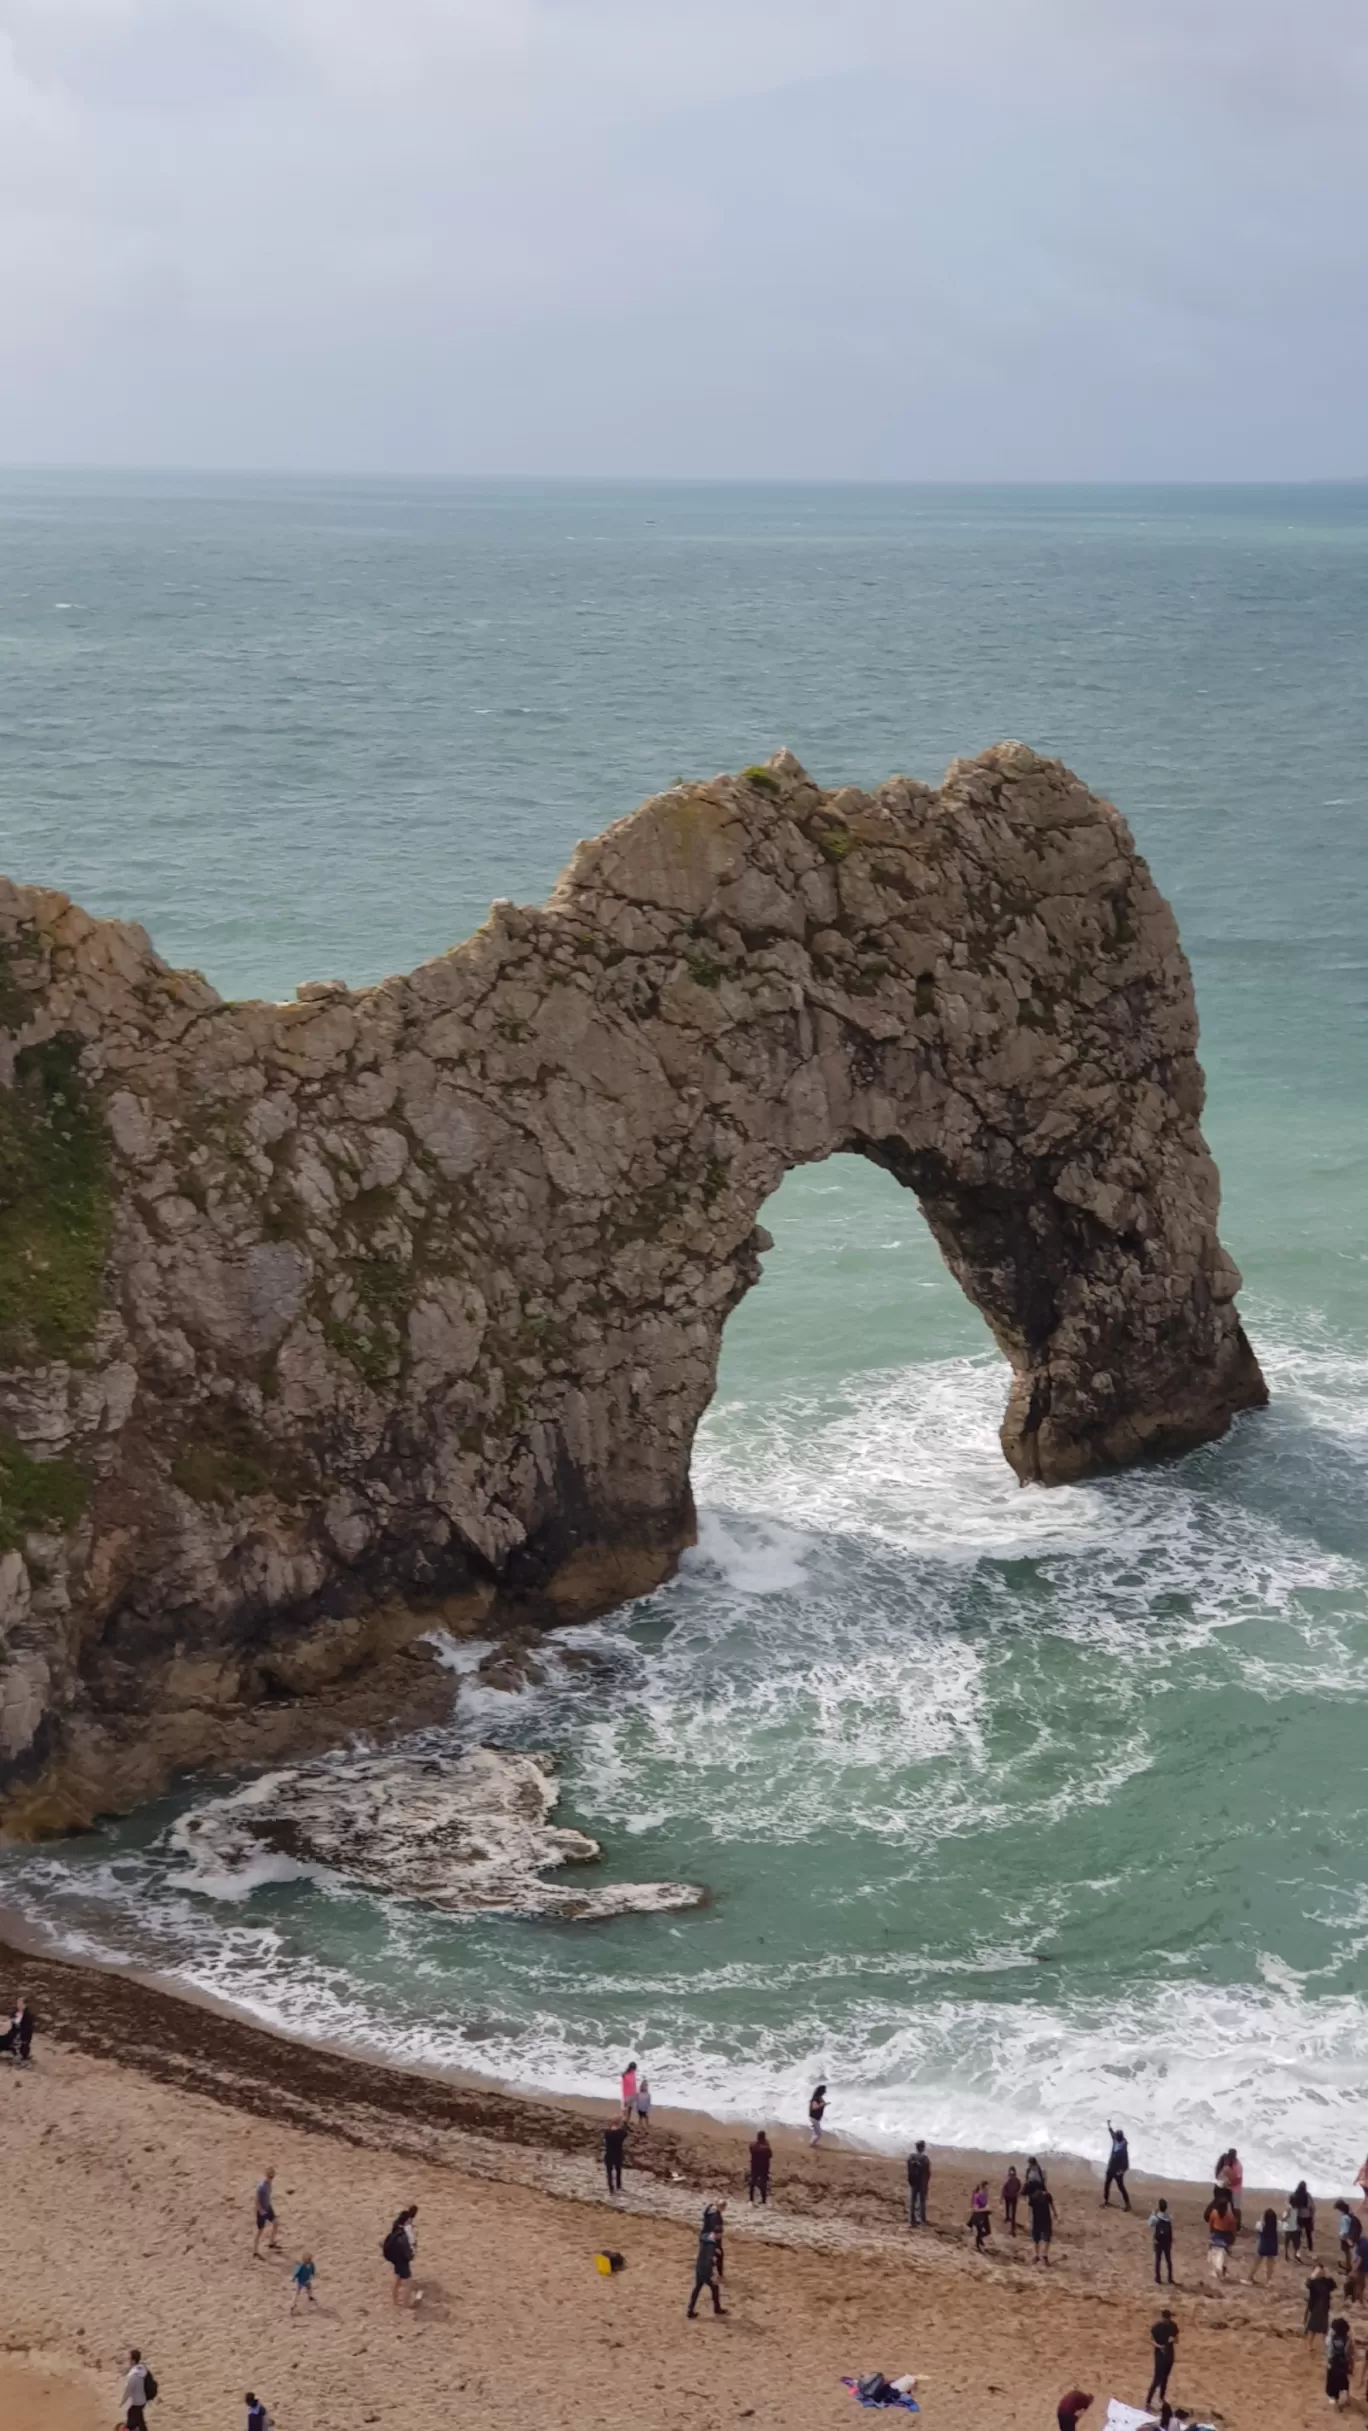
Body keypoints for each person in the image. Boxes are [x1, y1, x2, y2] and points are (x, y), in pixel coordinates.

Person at [384, 2206, 419, 2309]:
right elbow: (408, 2247)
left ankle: (394, 2300)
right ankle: (406, 2303)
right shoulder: (405, 2234)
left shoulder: (396, 2227)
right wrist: (411, 2255)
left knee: (397, 2277)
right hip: (402, 2258)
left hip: (395, 2256)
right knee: (408, 2281)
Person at [687, 2226, 725, 2317]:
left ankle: (690, 2309)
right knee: (715, 2287)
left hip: (699, 2266)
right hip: (705, 2270)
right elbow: (709, 2260)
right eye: (721, 2235)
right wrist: (711, 2275)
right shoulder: (711, 2246)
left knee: (697, 2288)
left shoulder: (705, 2237)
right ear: (718, 2234)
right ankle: (717, 2309)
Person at [1146, 2309, 1178, 2411]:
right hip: (1160, 2355)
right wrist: (1160, 2346)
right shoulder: (1156, 2327)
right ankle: (1148, 2401)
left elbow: (1177, 2339)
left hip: (1169, 2355)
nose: (1166, 2321)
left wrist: (1173, 2339)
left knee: (1165, 2378)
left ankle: (1161, 2397)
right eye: (1164, 2319)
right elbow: (1151, 2340)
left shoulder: (1173, 2326)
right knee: (1157, 2379)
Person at [1203, 2186, 1237, 2279]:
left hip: (1216, 2235)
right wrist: (1233, 2237)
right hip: (1225, 2236)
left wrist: (1211, 2234)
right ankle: (1222, 2269)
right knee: (1223, 2255)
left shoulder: (1214, 2213)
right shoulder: (1230, 2216)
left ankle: (1217, 2270)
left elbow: (1211, 2224)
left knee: (1214, 2254)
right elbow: (1233, 2228)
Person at [1326, 2315, 1355, 2408]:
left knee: (1332, 2380)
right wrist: (1351, 2365)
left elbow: (1329, 2350)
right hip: (1343, 2363)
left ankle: (1333, 2397)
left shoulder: (1331, 2338)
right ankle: (1345, 2396)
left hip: (1333, 2363)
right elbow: (1349, 2353)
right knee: (1343, 2380)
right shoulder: (1347, 2339)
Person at [1103, 2121, 1131, 2210]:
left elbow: (1126, 2165)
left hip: (1117, 2171)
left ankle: (1128, 2204)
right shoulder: (1116, 2140)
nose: (1115, 2138)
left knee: (1121, 2187)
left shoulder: (1123, 2149)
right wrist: (1109, 2126)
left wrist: (1121, 2171)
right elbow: (1112, 2133)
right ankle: (1106, 2201)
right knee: (1107, 2184)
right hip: (1111, 2168)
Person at [253, 2167, 280, 2258]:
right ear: (266, 2175)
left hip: (268, 2207)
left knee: (276, 2223)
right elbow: (256, 2200)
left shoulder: (269, 2183)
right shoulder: (261, 2186)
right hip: (262, 2211)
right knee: (260, 2231)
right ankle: (255, 2251)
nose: (271, 2178)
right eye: (270, 2176)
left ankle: (271, 2243)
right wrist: (261, 2211)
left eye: (272, 2177)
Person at [1029, 2179, 1058, 2265]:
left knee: (1036, 2238)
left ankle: (1037, 2255)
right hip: (1046, 2218)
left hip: (1036, 2219)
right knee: (1047, 2237)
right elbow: (1052, 2205)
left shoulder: (1033, 2196)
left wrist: (1029, 2219)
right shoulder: (1047, 2195)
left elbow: (1030, 2209)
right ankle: (1045, 2254)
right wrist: (1055, 2214)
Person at [120, 2350, 151, 2431]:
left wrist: (122, 2402)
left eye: (129, 2358)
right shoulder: (143, 2369)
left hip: (136, 2403)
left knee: (131, 2421)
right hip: (143, 2400)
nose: (128, 2360)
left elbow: (128, 2391)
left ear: (133, 2361)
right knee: (140, 2420)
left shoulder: (133, 2375)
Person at [1306, 2261, 1337, 2340]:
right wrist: (1313, 2274)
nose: (1321, 2272)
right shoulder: (1313, 2282)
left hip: (1324, 2306)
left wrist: (1328, 2274)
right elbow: (1308, 2284)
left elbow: (1333, 2286)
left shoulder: (1326, 2281)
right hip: (1315, 2306)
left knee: (1325, 2326)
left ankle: (1325, 2344)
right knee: (1313, 2326)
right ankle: (1310, 2344)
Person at [1148, 2197, 1175, 2285]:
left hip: (1158, 2241)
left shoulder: (1156, 2218)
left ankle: (1158, 2278)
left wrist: (1152, 2214)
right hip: (1166, 2241)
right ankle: (1170, 2277)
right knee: (1168, 2260)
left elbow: (1149, 2224)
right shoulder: (1168, 2218)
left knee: (1158, 2260)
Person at [1251, 2205, 1279, 2284]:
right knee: (1270, 2264)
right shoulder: (1276, 2224)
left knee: (1257, 2262)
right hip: (1273, 2246)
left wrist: (1261, 2219)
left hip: (1263, 2246)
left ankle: (1250, 2276)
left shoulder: (1260, 2224)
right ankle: (1269, 2280)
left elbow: (1256, 2229)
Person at [907, 2140, 930, 2227]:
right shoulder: (925, 2159)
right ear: (923, 2148)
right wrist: (926, 2183)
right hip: (922, 2182)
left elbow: (908, 2169)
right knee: (922, 2201)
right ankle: (922, 2219)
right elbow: (928, 2173)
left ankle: (912, 2220)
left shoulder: (911, 2157)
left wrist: (910, 2179)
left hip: (913, 2182)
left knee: (912, 2201)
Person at [603, 2116, 629, 2194]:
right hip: (618, 2154)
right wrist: (625, 2123)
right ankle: (618, 2186)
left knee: (609, 2172)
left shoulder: (607, 2132)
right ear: (619, 2123)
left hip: (609, 2154)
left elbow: (605, 2139)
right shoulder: (621, 2133)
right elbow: (626, 2133)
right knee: (618, 2171)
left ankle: (611, 2188)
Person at [748, 2130, 772, 2205]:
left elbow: (751, 2149)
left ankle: (751, 2199)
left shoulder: (753, 2145)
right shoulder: (766, 2148)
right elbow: (770, 2155)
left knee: (752, 2183)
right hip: (764, 2167)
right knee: (763, 2184)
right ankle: (764, 2200)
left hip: (754, 2166)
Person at [1294, 2180, 1317, 2255]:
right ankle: (1310, 2250)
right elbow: (1312, 2207)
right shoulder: (1307, 2195)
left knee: (1298, 2235)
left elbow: (1293, 2207)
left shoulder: (1295, 2195)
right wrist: (1312, 2217)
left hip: (1298, 2217)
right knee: (1308, 2235)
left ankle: (1297, 2251)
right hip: (1307, 2217)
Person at [969, 2180, 992, 2250]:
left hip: (984, 2216)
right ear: (983, 2188)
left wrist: (989, 2208)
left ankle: (979, 2239)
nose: (987, 2190)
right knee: (979, 2231)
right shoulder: (977, 2196)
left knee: (988, 2231)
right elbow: (975, 2209)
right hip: (978, 2216)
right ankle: (977, 2245)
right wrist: (985, 2209)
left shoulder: (985, 2195)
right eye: (986, 2188)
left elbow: (986, 2204)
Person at [1001, 2162, 1021, 2235]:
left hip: (1008, 2196)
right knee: (1013, 2212)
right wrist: (1016, 2193)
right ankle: (1012, 2225)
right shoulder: (1017, 2180)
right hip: (1013, 2197)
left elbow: (1004, 2188)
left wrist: (1002, 2196)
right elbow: (1019, 2188)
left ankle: (1008, 2219)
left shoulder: (1008, 2179)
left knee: (1008, 2207)